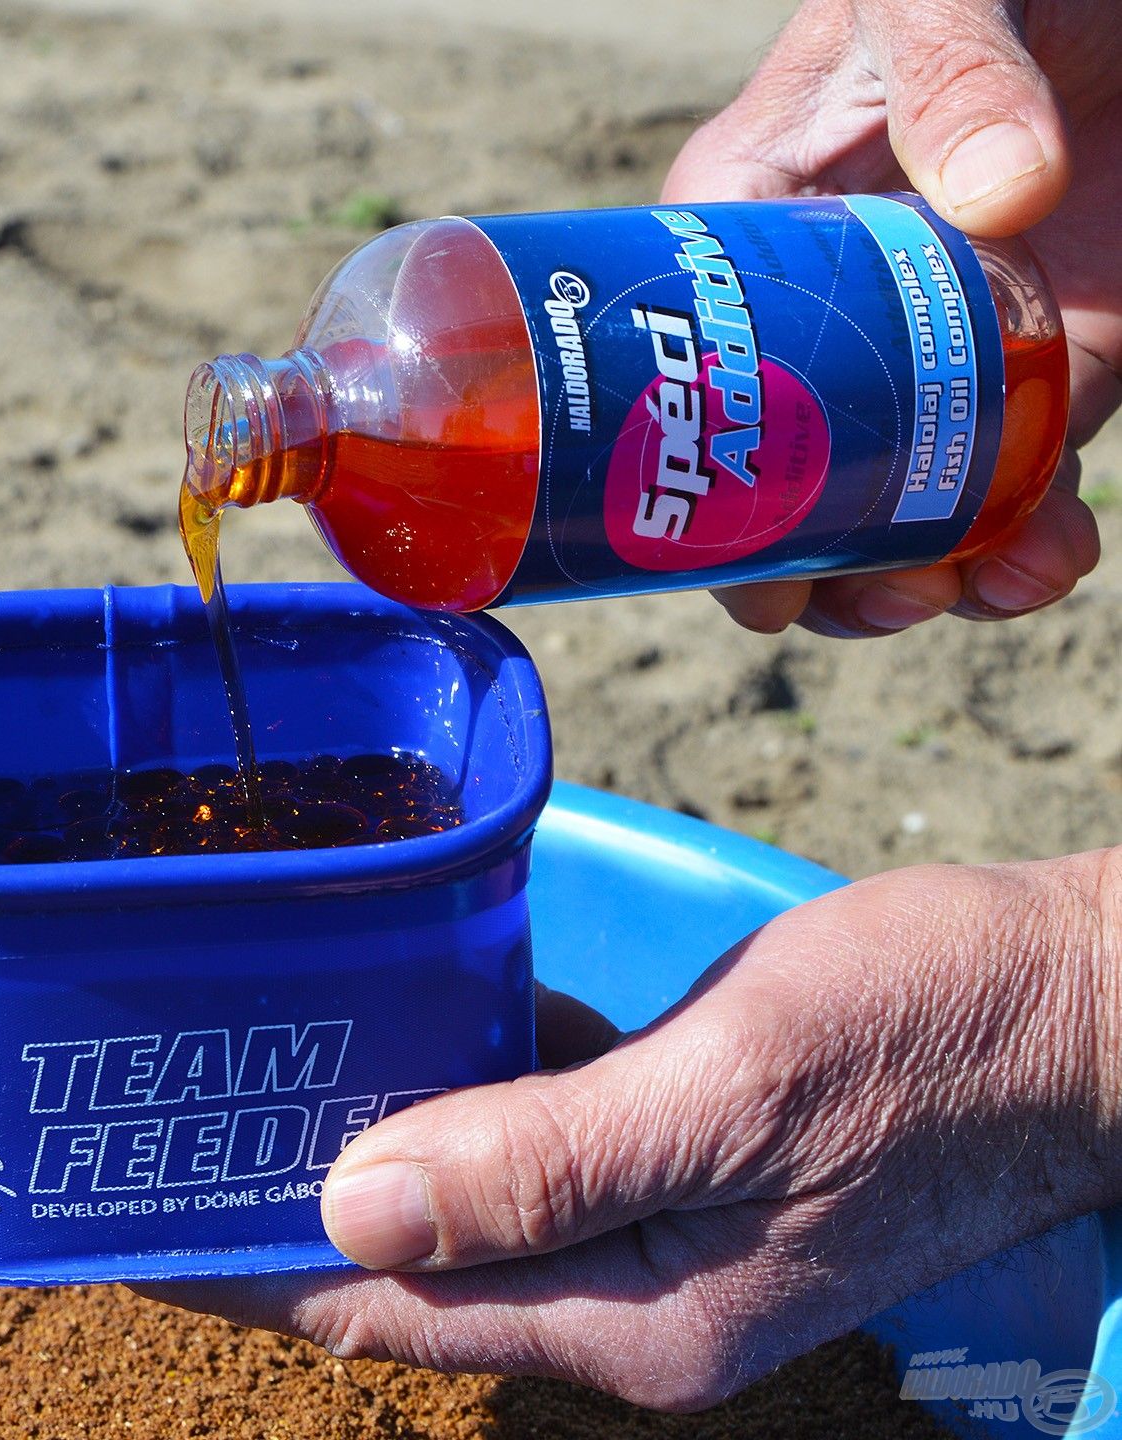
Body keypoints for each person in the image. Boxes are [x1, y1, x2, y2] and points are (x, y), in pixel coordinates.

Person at [141, 0, 1121, 1410]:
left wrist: (1085, 1002)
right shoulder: (395, 485)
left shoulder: (408, 305)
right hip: (955, 332)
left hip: (944, 312)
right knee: (845, 519)